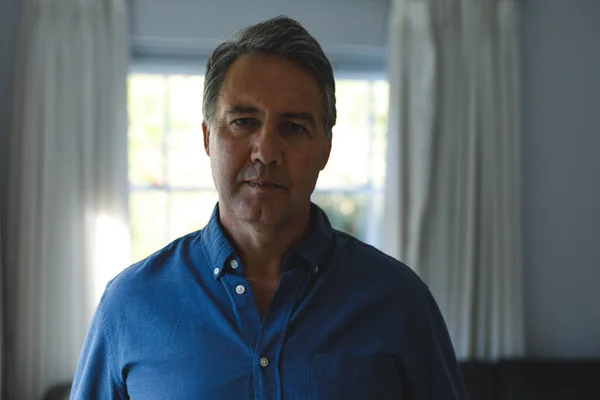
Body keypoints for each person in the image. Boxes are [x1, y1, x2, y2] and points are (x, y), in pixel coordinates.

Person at [71, 16, 468, 399]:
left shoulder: (399, 301)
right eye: (243, 122)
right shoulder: (130, 304)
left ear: (325, 149)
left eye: (294, 128)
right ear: (208, 137)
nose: (266, 151)